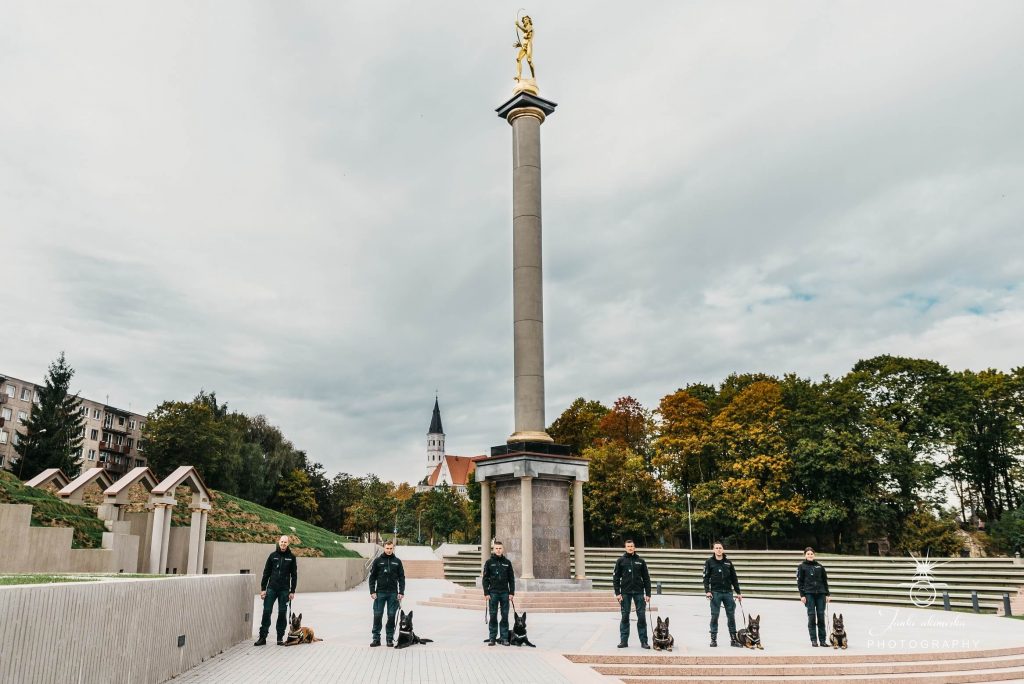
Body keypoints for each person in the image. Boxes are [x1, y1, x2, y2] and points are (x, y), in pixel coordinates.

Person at [256, 535, 298, 646]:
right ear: (279, 542)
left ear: (288, 543)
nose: (283, 544)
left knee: (282, 613)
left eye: (285, 542)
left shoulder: (292, 557)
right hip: (271, 589)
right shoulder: (272, 556)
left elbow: (294, 575)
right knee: (266, 611)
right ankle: (262, 637)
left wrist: (292, 591)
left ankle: (280, 638)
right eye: (282, 542)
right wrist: (263, 589)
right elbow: (266, 573)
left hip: (284, 590)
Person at [703, 541, 743, 648]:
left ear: (723, 549)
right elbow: (705, 578)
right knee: (715, 616)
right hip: (715, 593)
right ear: (713, 550)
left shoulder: (728, 563)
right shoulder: (709, 562)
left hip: (728, 593)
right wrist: (707, 591)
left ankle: (733, 640)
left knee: (731, 616)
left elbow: (734, 578)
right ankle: (713, 640)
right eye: (716, 548)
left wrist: (738, 593)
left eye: (720, 548)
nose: (718, 550)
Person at [613, 539, 651, 649]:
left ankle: (644, 641)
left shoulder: (641, 561)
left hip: (639, 592)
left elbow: (646, 578)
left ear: (634, 547)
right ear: (625, 548)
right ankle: (623, 641)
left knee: (642, 617)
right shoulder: (620, 561)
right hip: (625, 593)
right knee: (625, 616)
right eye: (628, 546)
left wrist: (648, 594)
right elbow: (615, 578)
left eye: (632, 546)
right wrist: (617, 593)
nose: (630, 548)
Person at [368, 539, 406, 647]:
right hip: (380, 593)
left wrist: (401, 591)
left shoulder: (397, 561)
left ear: (393, 548)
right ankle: (376, 639)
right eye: (387, 548)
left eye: (391, 548)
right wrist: (372, 591)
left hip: (393, 594)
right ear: (384, 548)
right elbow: (372, 577)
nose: (389, 550)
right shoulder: (377, 561)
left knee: (391, 615)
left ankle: (389, 639)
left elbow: (401, 578)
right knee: (377, 615)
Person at [482, 540, 515, 646]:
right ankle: (492, 638)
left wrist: (512, 592)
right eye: (496, 548)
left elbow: (511, 579)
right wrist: (486, 593)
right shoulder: (489, 562)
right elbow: (485, 579)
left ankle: (504, 638)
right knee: (493, 615)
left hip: (505, 593)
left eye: (500, 548)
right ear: (493, 549)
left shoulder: (507, 563)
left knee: (504, 616)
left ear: (503, 549)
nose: (498, 550)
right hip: (493, 593)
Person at [796, 547, 831, 646]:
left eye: (811, 553)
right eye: (808, 554)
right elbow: (800, 582)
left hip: (821, 594)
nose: (810, 555)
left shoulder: (820, 566)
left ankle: (823, 640)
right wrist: (802, 595)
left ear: (814, 555)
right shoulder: (801, 567)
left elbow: (825, 581)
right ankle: (813, 640)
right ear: (805, 555)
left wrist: (827, 594)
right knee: (811, 617)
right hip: (809, 594)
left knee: (821, 617)